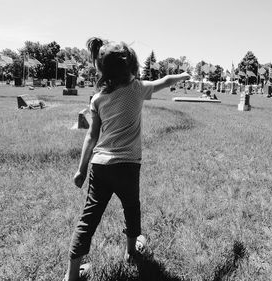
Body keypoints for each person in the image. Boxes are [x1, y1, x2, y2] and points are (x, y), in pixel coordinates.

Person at [64, 37, 191, 281]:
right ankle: (131, 252)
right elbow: (165, 81)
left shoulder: (97, 99)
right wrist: (182, 76)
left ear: (101, 69)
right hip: (128, 166)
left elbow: (91, 137)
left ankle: (71, 275)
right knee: (132, 208)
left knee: (88, 219)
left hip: (99, 166)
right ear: (132, 66)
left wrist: (81, 170)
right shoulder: (137, 89)